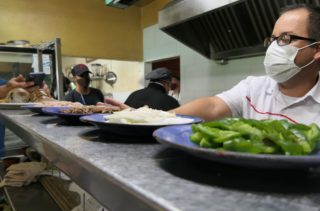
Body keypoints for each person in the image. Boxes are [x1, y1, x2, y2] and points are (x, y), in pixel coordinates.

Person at [106, 4, 320, 126]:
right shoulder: (255, 88)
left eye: (285, 39)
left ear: (316, 49)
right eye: (272, 39)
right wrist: (151, 119)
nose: (273, 47)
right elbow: (212, 106)